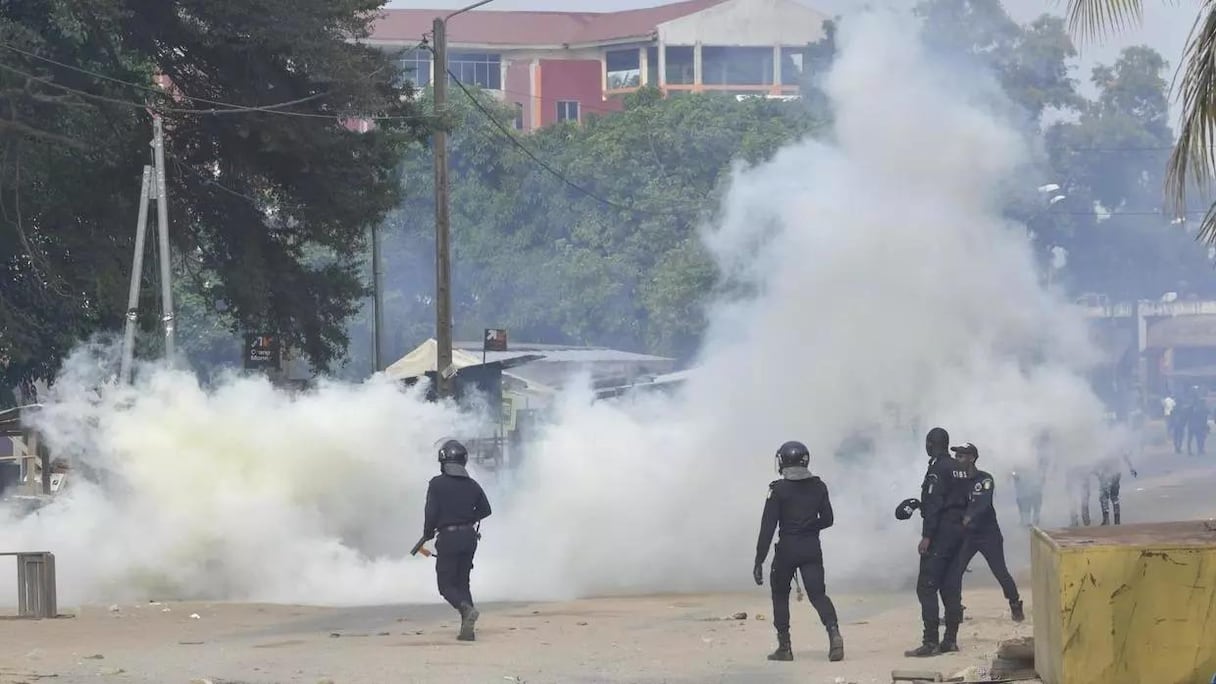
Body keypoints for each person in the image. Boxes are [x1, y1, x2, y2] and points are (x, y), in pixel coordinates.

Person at [753, 440, 844, 663]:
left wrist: (759, 560)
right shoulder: (819, 486)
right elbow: (828, 520)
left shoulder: (778, 489)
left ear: (783, 461)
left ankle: (785, 647)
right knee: (818, 595)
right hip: (811, 548)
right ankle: (834, 634)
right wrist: (810, 526)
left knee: (780, 595)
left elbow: (768, 527)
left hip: (787, 549)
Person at [418, 439, 493, 641]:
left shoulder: (436, 484)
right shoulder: (472, 485)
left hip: (448, 537)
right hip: (469, 538)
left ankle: (466, 611)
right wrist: (468, 518)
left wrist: (428, 533)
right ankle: (467, 630)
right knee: (462, 583)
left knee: (446, 586)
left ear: (443, 462)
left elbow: (431, 512)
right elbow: (486, 510)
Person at [946, 442, 1024, 637]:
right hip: (967, 536)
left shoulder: (985, 479)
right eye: (956, 456)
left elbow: (982, 504)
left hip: (988, 535)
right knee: (955, 571)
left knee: (1000, 572)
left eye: (961, 456)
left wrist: (966, 518)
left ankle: (1015, 604)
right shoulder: (956, 481)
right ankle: (956, 610)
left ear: (972, 458)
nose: (957, 460)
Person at [905, 427, 969, 658]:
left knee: (927, 586)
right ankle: (950, 640)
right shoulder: (960, 469)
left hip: (941, 533)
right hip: (960, 532)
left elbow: (934, 504)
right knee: (951, 586)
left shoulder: (937, 469)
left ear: (931, 444)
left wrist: (927, 536)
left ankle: (930, 641)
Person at [1094, 452, 1138, 525]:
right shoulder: (1118, 447)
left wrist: (1097, 473)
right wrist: (1131, 468)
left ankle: (1106, 519)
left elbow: (1098, 460)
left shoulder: (1103, 445)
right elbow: (1125, 456)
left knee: (1104, 497)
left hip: (1107, 474)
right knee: (1114, 497)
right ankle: (1117, 520)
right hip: (1116, 473)